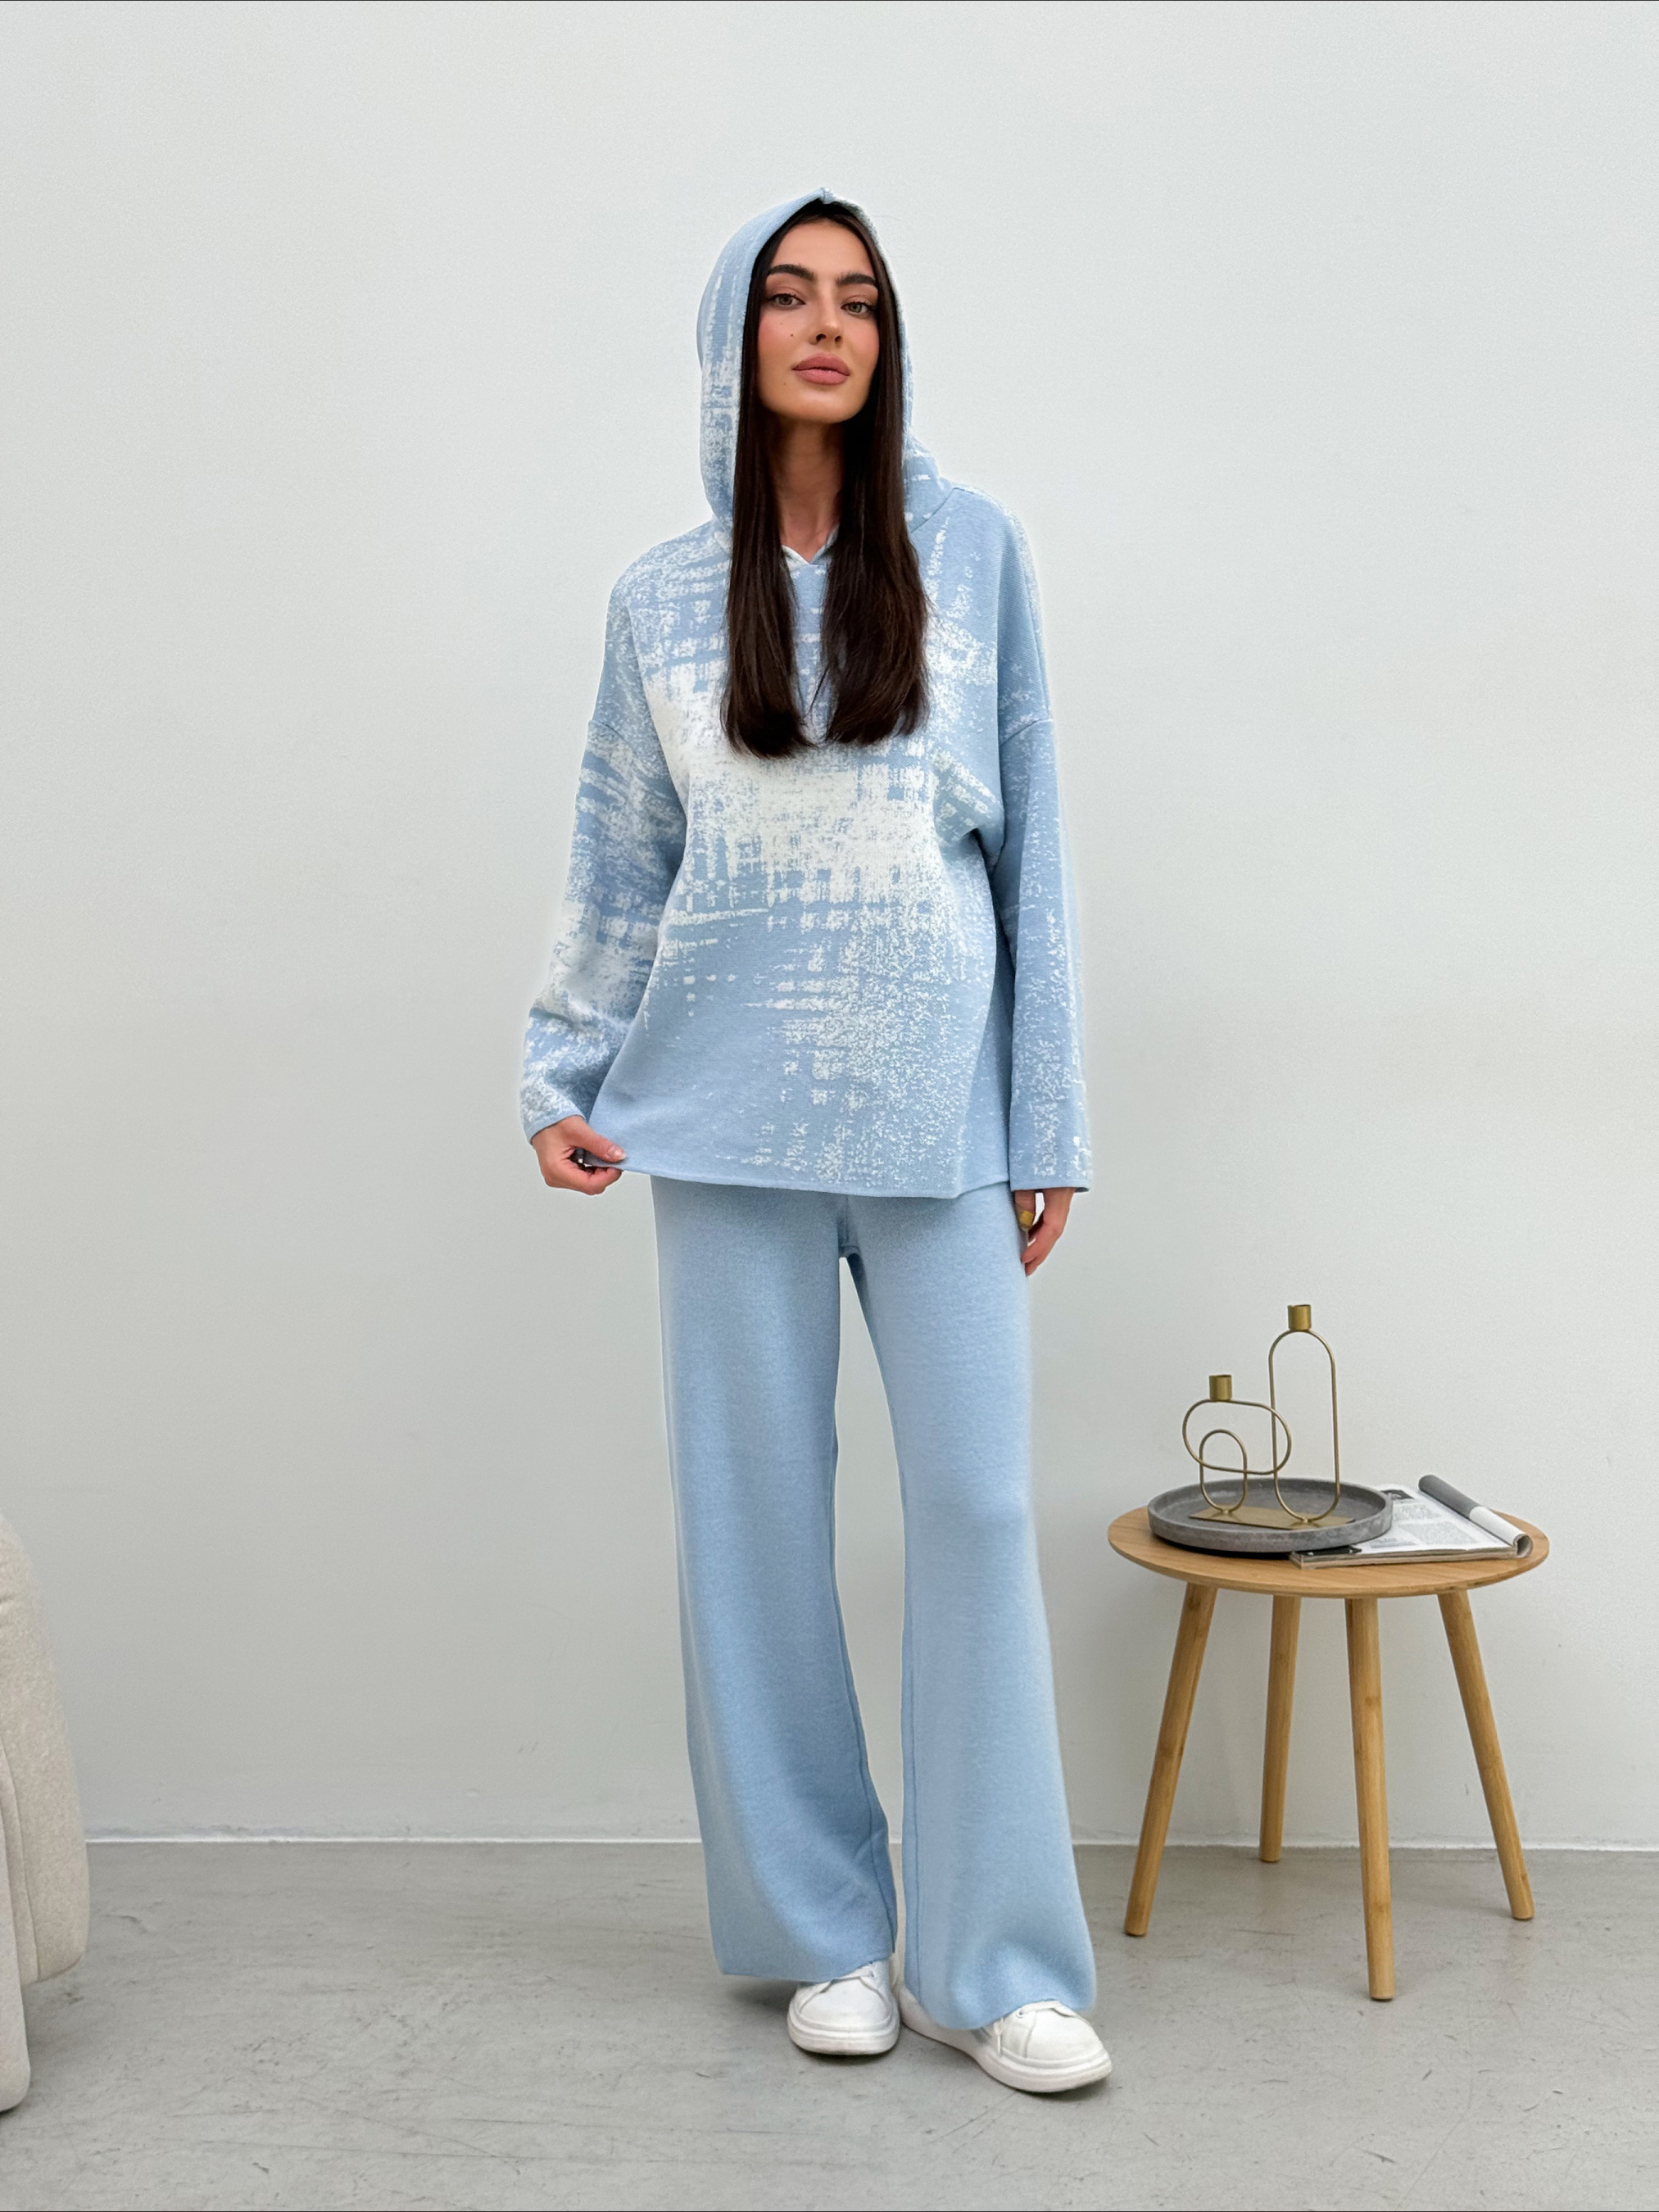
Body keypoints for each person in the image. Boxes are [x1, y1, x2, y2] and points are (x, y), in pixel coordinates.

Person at [522, 191, 1108, 2096]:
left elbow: (1032, 855)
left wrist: (1044, 1117)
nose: (827, 325)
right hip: (721, 1119)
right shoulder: (656, 599)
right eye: (789, 295)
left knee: (975, 1512)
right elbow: (620, 857)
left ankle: (989, 1962)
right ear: (736, 337)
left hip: (939, 1118)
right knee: (753, 1531)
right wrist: (564, 1068)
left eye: (856, 298)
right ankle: (822, 1934)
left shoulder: (972, 551)